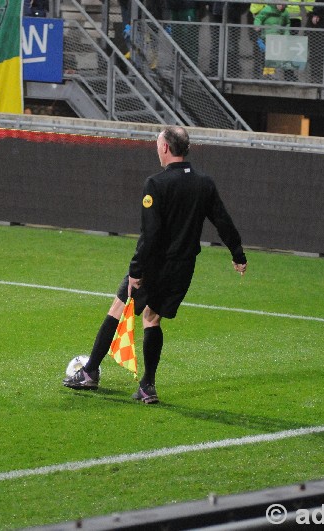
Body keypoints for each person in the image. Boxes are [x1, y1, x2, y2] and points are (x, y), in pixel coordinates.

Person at [62, 126, 248, 404]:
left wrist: (136, 271)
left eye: (157, 143)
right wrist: (238, 254)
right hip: (183, 268)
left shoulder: (157, 184)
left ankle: (89, 373)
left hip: (154, 266)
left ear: (165, 148)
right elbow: (222, 220)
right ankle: (147, 386)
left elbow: (150, 234)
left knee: (117, 308)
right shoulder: (203, 183)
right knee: (152, 318)